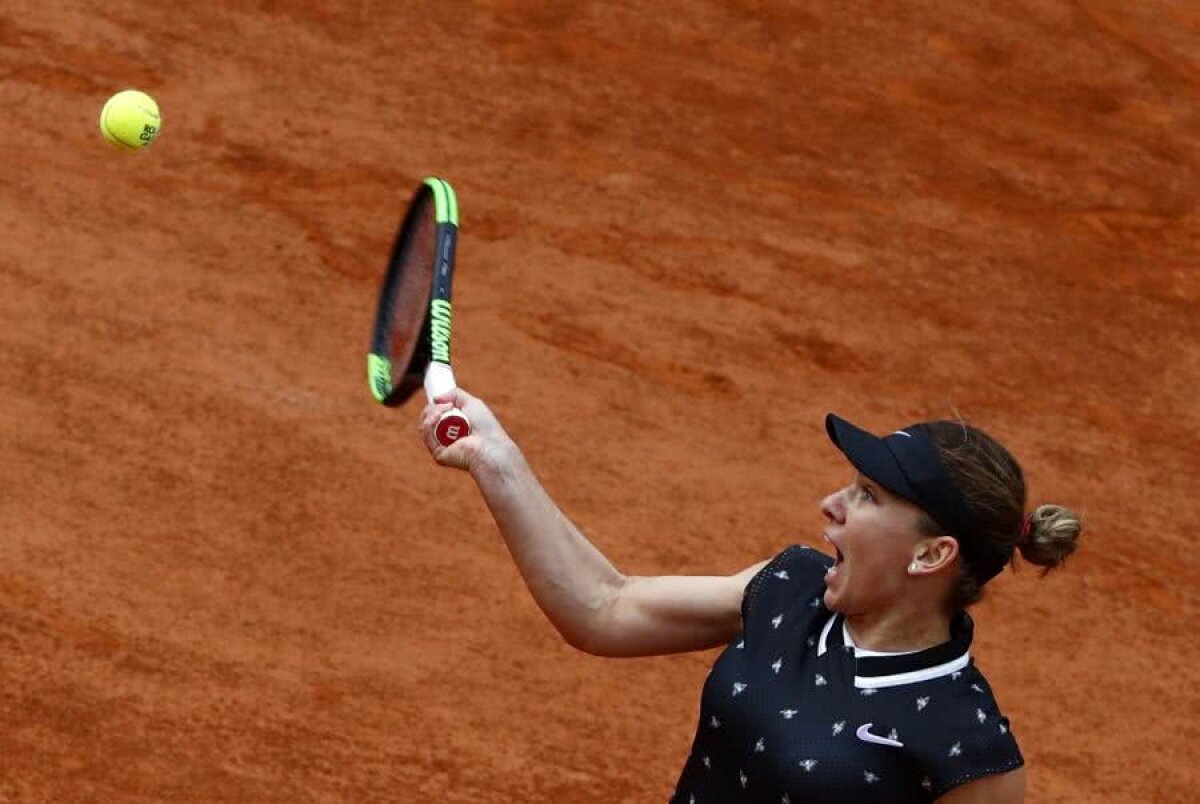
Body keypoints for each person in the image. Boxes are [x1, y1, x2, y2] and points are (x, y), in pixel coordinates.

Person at [419, 389, 1083, 803]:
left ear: (932, 554)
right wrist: (496, 460)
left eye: (867, 497)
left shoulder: (970, 750)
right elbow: (604, 606)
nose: (831, 504)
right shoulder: (789, 591)